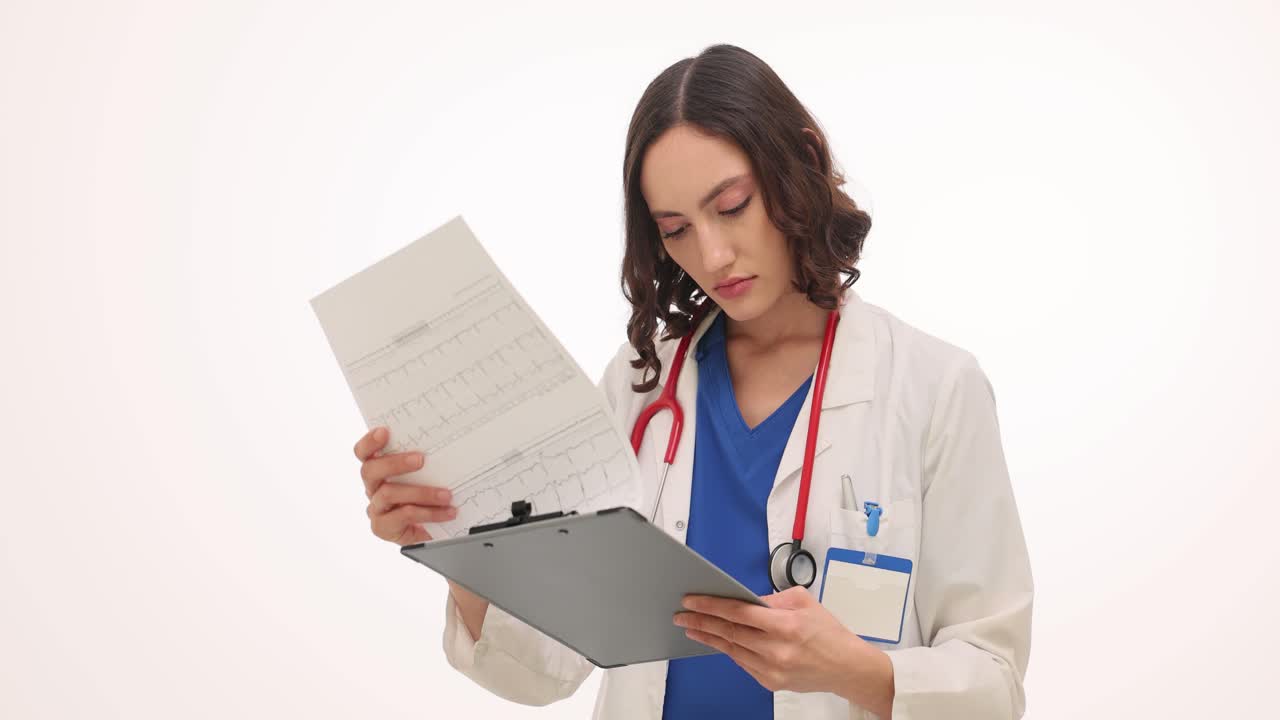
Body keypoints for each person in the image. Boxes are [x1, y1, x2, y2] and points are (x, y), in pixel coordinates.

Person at [352, 43, 1033, 720]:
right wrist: (452, 541)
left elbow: (995, 684)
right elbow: (545, 669)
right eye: (675, 229)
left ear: (799, 162)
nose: (711, 255)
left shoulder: (933, 389)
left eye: (732, 206)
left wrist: (856, 672)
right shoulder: (638, 389)